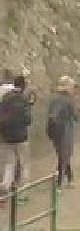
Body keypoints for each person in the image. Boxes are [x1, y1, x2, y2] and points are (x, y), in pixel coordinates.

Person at [0, 75, 33, 204]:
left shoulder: (5, 98)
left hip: (6, 137)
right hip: (21, 138)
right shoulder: (24, 99)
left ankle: (4, 188)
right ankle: (22, 194)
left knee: (9, 165)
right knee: (24, 164)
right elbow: (28, 120)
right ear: (23, 86)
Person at [47, 75, 80, 189]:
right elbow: (76, 117)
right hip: (65, 130)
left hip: (53, 131)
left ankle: (69, 178)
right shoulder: (68, 100)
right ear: (67, 87)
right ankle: (59, 182)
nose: (73, 89)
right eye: (72, 86)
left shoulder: (53, 98)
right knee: (64, 156)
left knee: (62, 155)